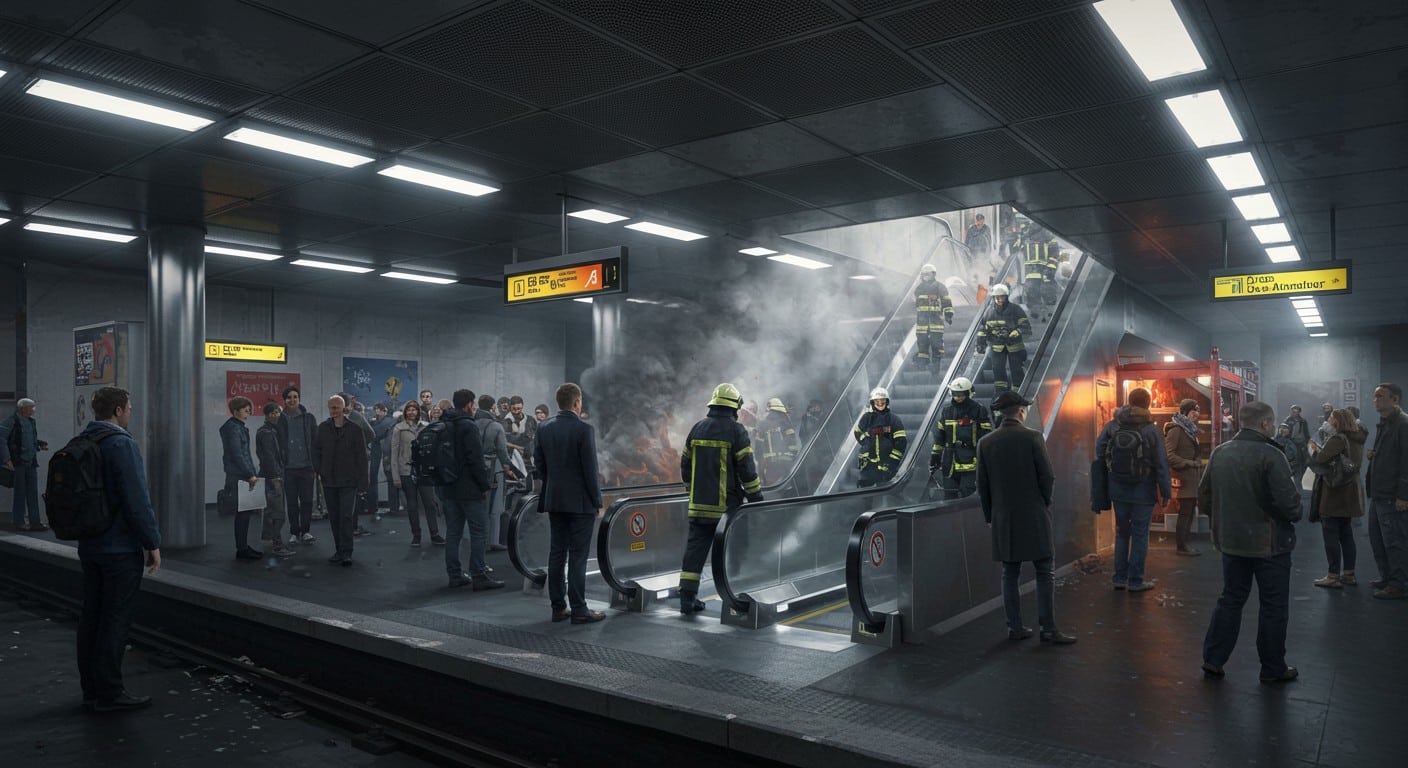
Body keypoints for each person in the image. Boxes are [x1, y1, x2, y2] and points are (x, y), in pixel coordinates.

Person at [1198, 400, 1302, 683]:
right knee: (1273, 606)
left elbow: (1204, 497)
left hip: (1231, 542)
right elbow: (1290, 505)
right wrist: (1295, 514)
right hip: (1270, 544)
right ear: (1265, 423)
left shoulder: (1220, 452)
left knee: (1231, 598)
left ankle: (1213, 659)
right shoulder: (1272, 455)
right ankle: (1273, 668)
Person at [76, 386, 162, 711]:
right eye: (129, 407)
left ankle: (91, 689)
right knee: (115, 619)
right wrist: (151, 542)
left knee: (92, 616)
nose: (130, 412)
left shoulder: (84, 440)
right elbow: (136, 500)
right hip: (119, 547)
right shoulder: (121, 444)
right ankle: (110, 693)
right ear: (117, 410)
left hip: (90, 544)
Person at [976, 391, 1075, 645]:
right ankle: (1048, 629)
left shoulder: (985, 442)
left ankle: (1015, 627)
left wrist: (990, 515)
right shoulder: (1032, 437)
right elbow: (1047, 476)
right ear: (1021, 411)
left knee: (1010, 573)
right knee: (1044, 570)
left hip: (1003, 517)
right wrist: (1044, 502)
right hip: (1033, 514)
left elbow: (982, 485)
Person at [678, 383, 763, 614]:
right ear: (734, 407)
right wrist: (756, 498)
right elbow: (747, 470)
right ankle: (735, 595)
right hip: (727, 509)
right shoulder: (737, 431)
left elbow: (685, 465)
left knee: (694, 553)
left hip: (699, 506)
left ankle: (686, 599)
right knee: (734, 549)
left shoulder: (697, 428)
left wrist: (692, 490)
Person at [534, 382, 606, 623]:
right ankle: (579, 609)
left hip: (555, 500)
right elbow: (590, 470)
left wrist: (554, 483)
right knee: (578, 556)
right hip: (580, 503)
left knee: (557, 553)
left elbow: (539, 464)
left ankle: (558, 607)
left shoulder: (543, 427)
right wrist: (597, 501)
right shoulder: (584, 430)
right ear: (577, 402)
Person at [1094, 387, 1172, 591]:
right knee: (1140, 534)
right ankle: (1136, 580)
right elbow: (1161, 464)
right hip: (1143, 491)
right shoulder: (1152, 430)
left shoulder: (1114, 425)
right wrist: (1166, 492)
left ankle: (1119, 578)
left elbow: (1099, 450)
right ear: (1148, 403)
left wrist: (1113, 470)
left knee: (1121, 533)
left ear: (1129, 401)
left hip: (1117, 490)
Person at [440, 390, 502, 589]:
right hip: (469, 488)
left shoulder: (444, 423)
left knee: (453, 533)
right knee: (478, 532)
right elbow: (475, 460)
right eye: (472, 404)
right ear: (468, 404)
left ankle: (455, 575)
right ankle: (479, 575)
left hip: (448, 486)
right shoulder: (468, 425)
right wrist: (484, 485)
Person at [1306, 408, 1365, 588]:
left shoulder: (1338, 439)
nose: (1328, 420)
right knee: (1346, 534)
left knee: (1330, 534)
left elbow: (1320, 458)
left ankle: (1333, 576)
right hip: (1350, 490)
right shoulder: (1357, 438)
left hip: (1334, 492)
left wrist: (1313, 448)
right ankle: (1349, 574)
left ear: (1337, 421)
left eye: (1331, 418)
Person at [312, 395, 367, 566]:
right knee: (334, 517)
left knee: (346, 516)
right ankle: (339, 550)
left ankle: (347, 551)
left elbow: (362, 457)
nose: (334, 410)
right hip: (329, 480)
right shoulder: (322, 428)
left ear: (344, 408)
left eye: (336, 407)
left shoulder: (355, 429)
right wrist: (319, 470)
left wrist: (363, 482)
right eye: (331, 407)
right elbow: (316, 451)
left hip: (349, 480)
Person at [1366, 383, 1408, 599]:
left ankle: (1399, 584)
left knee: (1395, 541)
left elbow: (1406, 462)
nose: (1375, 400)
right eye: (1375, 396)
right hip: (1380, 494)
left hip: (1392, 496)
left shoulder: (1403, 424)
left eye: (1380, 396)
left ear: (1395, 400)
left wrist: (1403, 495)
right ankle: (1388, 577)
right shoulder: (1387, 423)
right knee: (1378, 539)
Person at [390, 400, 443, 547]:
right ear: (405, 412)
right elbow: (394, 453)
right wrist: (395, 476)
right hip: (406, 471)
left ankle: (434, 533)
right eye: (409, 410)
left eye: (414, 409)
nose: (411, 412)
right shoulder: (399, 429)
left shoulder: (426, 427)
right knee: (412, 505)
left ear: (418, 411)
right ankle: (416, 535)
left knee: (430, 503)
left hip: (424, 470)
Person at [930, 377, 991, 500]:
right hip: (949, 462)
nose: (958, 397)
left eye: (961, 394)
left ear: (969, 393)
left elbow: (985, 435)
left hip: (970, 462)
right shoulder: (946, 411)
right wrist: (935, 454)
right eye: (955, 394)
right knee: (949, 496)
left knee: (968, 497)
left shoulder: (978, 410)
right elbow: (940, 435)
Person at [219, 396, 261, 560]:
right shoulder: (235, 429)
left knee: (244, 512)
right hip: (240, 476)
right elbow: (238, 454)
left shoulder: (235, 427)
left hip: (239, 474)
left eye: (249, 408)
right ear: (236, 411)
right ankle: (242, 549)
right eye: (245, 409)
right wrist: (250, 474)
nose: (248, 411)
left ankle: (243, 547)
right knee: (243, 513)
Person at [276, 386, 318, 546]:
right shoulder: (280, 419)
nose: (292, 400)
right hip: (289, 468)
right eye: (289, 397)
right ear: (284, 400)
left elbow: (316, 441)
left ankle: (306, 531)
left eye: (295, 397)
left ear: (299, 399)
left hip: (307, 467)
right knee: (292, 502)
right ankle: (294, 532)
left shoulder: (309, 418)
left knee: (307, 501)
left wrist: (317, 464)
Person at [1164, 399, 1205, 556]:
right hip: (1183, 477)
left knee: (1190, 511)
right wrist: (1189, 463)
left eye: (1197, 411)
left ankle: (1185, 543)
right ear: (1185, 411)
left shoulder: (1189, 429)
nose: (1196, 414)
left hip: (1191, 477)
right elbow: (1169, 455)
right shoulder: (1176, 430)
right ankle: (1181, 545)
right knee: (1185, 512)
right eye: (1193, 410)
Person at [255, 403, 295, 558]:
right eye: (273, 412)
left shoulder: (272, 430)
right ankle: (278, 545)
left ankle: (268, 538)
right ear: (267, 415)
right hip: (273, 476)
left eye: (278, 412)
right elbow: (269, 457)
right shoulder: (267, 433)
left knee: (270, 511)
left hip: (271, 474)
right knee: (278, 513)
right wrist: (276, 477)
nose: (276, 415)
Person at [1, 397, 49, 530]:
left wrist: (39, 444)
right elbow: (1, 439)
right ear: (23, 409)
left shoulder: (31, 422)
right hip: (18, 462)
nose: (33, 410)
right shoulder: (11, 421)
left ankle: (35, 522)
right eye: (31, 407)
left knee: (32, 492)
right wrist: (7, 459)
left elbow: (29, 439)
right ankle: (19, 522)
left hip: (31, 462)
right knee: (20, 492)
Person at [975, 284, 1031, 394]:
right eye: (997, 297)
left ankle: (1017, 390)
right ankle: (1001, 392)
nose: (1000, 300)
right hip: (996, 346)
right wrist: (980, 344)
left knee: (1016, 368)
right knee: (998, 369)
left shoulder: (1016, 309)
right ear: (993, 298)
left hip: (1014, 345)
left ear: (1007, 297)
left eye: (1002, 297)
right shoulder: (989, 312)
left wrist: (1017, 332)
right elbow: (982, 329)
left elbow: (1026, 326)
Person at [476, 394, 514, 551]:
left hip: (475, 467)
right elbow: (502, 451)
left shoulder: (471, 424)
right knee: (495, 507)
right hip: (494, 468)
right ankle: (492, 540)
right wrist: (508, 467)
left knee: (479, 506)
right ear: (492, 407)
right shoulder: (496, 426)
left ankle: (479, 541)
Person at [854, 387, 906, 488]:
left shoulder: (894, 420)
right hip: (868, 466)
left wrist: (891, 462)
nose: (880, 403)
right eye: (877, 401)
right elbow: (857, 432)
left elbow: (901, 443)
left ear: (887, 402)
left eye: (882, 401)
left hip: (886, 465)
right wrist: (866, 443)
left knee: (887, 492)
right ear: (872, 403)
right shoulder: (866, 418)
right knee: (865, 493)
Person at [913, 263, 955, 370]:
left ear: (934, 274)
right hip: (922, 324)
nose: (926, 276)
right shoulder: (919, 289)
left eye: (928, 274)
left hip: (936, 323)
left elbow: (946, 302)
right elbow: (917, 305)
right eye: (924, 274)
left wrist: (948, 314)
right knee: (922, 345)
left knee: (937, 345)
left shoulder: (940, 287)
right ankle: (923, 364)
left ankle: (935, 368)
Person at [756, 398, 800, 485]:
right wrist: (789, 459)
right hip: (786, 466)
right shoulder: (787, 424)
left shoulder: (762, 425)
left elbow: (758, 449)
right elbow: (793, 446)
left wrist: (761, 462)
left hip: (769, 466)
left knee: (770, 486)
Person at [1283, 405, 1311, 485]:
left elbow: (1306, 433)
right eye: (1293, 411)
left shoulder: (1303, 421)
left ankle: (1298, 480)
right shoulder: (1287, 420)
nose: (1295, 412)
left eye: (1296, 411)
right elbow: (1284, 432)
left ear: (1299, 412)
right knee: (1292, 462)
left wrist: (1308, 442)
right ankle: (1295, 482)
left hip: (1302, 444)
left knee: (1303, 463)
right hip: (1291, 444)